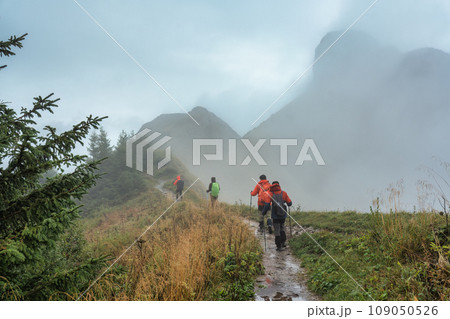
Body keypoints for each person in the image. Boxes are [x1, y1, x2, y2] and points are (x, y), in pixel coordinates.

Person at [262, 181, 292, 251]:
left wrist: (263, 213)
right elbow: (290, 203)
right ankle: (283, 242)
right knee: (282, 227)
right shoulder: (283, 193)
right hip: (283, 214)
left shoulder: (270, 194)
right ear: (279, 185)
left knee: (277, 230)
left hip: (275, 215)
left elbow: (266, 205)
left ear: (272, 186)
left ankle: (278, 246)